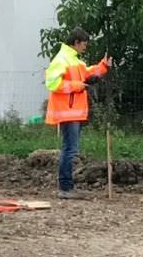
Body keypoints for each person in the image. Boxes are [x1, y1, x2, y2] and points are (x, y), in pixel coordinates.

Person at [45, 27, 112, 199]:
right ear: (76, 42)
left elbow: (87, 73)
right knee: (70, 150)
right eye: (84, 44)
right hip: (67, 112)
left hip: (72, 112)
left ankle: (67, 187)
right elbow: (52, 83)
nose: (85, 47)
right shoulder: (62, 59)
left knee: (70, 149)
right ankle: (65, 188)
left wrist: (103, 66)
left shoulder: (72, 59)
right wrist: (77, 86)